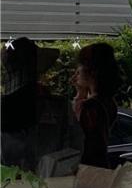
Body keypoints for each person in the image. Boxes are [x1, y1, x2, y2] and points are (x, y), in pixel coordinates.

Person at [1, 37, 81, 172]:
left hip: (47, 183)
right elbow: (75, 149)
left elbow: (74, 150)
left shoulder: (59, 108)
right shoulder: (59, 108)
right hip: (46, 183)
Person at [72, 42, 119, 167]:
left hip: (88, 169)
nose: (74, 78)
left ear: (91, 72)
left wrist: (79, 97)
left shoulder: (90, 107)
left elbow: (81, 141)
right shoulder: (108, 101)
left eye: (78, 72)